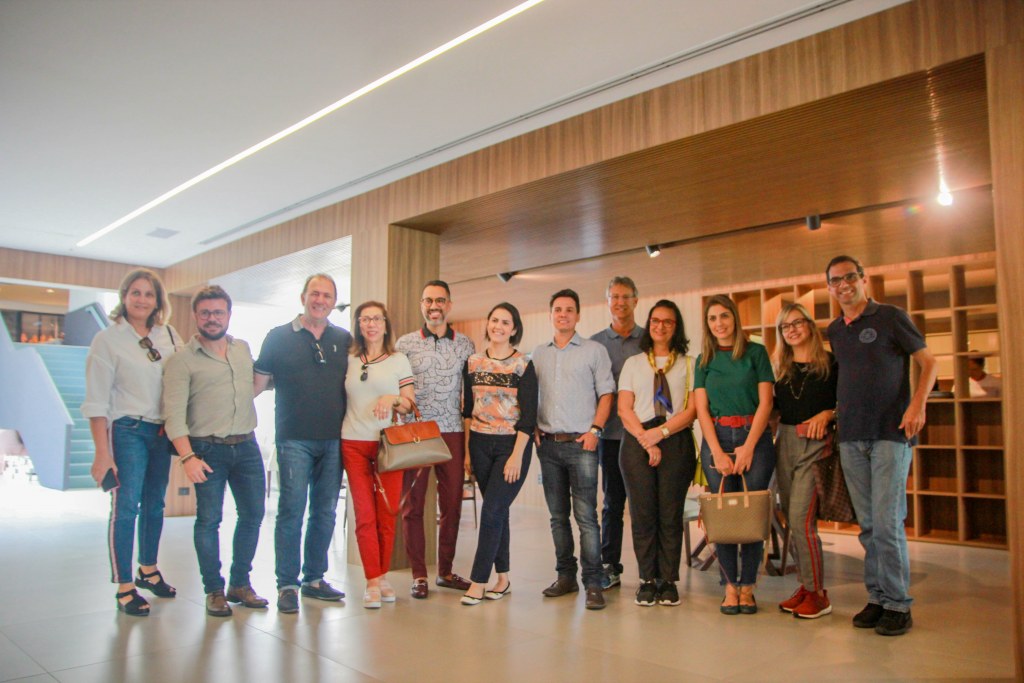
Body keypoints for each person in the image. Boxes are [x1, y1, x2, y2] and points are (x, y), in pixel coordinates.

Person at [826, 255, 937, 636]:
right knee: (869, 525)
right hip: (851, 437)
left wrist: (918, 404)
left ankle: (898, 603)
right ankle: (877, 597)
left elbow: (929, 362)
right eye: (835, 280)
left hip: (891, 433)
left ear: (863, 279)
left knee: (888, 523)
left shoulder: (890, 317)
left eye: (849, 277)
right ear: (829, 287)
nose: (843, 284)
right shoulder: (835, 330)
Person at [162, 285, 268, 617]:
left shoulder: (242, 349)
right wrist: (187, 457)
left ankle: (240, 584)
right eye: (205, 313)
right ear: (196, 316)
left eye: (218, 312)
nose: (212, 318)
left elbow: (251, 388)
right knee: (209, 521)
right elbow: (173, 417)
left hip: (247, 445)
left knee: (253, 515)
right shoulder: (181, 361)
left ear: (228, 315)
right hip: (206, 450)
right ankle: (214, 590)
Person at [81, 268, 181, 616]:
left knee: (155, 505)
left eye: (149, 294)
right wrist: (102, 453)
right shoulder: (108, 340)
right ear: (124, 297)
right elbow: (96, 402)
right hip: (127, 430)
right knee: (126, 507)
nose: (142, 299)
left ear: (158, 301)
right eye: (135, 292)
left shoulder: (169, 334)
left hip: (160, 432)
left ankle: (148, 570)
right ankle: (125, 585)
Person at [254, 273, 352, 614]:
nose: (320, 300)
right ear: (303, 297)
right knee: (291, 511)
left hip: (334, 439)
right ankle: (286, 585)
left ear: (333, 301)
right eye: (315, 293)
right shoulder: (278, 337)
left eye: (327, 295)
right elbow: (255, 385)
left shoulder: (343, 339)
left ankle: (314, 579)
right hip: (293, 438)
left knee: (325, 512)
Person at [532, 289, 615, 610]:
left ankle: (593, 582)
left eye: (569, 309)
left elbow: (607, 394)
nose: (563, 314)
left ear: (578, 315)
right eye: (558, 309)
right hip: (548, 446)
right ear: (550, 314)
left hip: (583, 445)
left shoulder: (594, 351)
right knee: (557, 517)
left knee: (586, 517)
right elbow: (530, 395)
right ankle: (565, 577)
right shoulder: (538, 353)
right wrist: (533, 426)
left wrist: (596, 430)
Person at [694, 294, 775, 615]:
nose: (719, 323)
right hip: (717, 437)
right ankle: (730, 586)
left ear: (734, 318)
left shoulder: (756, 352)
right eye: (712, 318)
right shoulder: (704, 360)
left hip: (754, 436)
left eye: (724, 316)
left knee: (752, 513)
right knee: (724, 515)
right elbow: (701, 410)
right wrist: (717, 451)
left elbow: (766, 403)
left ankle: (748, 586)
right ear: (707, 324)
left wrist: (749, 446)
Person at [395, 280, 476, 599]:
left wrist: (469, 445)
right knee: (413, 506)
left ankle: (445, 571)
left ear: (449, 305)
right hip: (416, 432)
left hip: (452, 430)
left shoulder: (465, 345)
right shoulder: (405, 344)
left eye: (440, 300)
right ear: (421, 305)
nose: (434, 306)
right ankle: (419, 575)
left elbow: (470, 397)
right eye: (428, 300)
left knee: (453, 504)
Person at [617, 299, 697, 607]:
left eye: (667, 321)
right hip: (637, 440)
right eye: (655, 320)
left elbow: (691, 411)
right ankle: (647, 580)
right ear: (648, 325)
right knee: (643, 514)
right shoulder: (633, 364)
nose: (660, 326)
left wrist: (660, 434)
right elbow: (624, 408)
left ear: (676, 327)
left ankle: (668, 581)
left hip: (675, 439)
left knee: (670, 513)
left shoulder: (689, 364)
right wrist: (646, 439)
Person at [460, 303, 537, 605]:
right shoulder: (473, 362)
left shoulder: (523, 364)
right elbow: (468, 411)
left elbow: (528, 418)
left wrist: (517, 456)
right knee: (498, 511)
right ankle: (503, 579)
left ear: (514, 329)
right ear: (488, 323)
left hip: (511, 446)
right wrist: (468, 451)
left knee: (491, 510)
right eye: (494, 320)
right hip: (479, 444)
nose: (499, 327)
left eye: (506, 322)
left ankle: (478, 581)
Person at [341, 301, 416, 609]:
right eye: (365, 319)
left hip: (388, 445)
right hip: (354, 443)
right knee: (364, 515)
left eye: (376, 319)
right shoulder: (349, 359)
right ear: (358, 325)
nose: (371, 324)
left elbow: (409, 404)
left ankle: (383, 576)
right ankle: (372, 580)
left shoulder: (398, 360)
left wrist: (392, 398)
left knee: (387, 513)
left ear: (386, 324)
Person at [773, 302, 837, 619]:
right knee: (790, 517)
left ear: (810, 325)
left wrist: (829, 413)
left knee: (801, 519)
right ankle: (805, 585)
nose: (792, 330)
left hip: (816, 442)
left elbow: (848, 402)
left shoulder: (832, 363)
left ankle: (818, 594)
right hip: (784, 440)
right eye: (785, 326)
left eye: (798, 323)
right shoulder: (780, 367)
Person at [589, 276, 643, 591]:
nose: (620, 302)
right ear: (607, 301)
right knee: (612, 504)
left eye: (625, 296)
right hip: (609, 437)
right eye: (614, 297)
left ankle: (652, 570)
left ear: (636, 300)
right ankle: (610, 566)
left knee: (646, 505)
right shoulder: (595, 344)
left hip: (644, 436)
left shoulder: (648, 339)